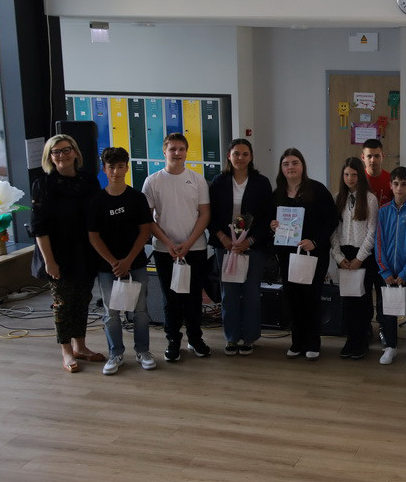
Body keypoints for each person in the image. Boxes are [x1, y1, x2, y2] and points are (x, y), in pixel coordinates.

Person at [31, 134, 103, 372]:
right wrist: (49, 261)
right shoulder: (43, 184)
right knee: (63, 303)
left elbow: (96, 216)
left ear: (75, 152)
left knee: (83, 299)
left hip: (85, 251)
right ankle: (66, 351)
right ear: (50, 157)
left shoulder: (88, 180)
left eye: (66, 149)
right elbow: (39, 228)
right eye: (56, 152)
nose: (62, 155)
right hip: (57, 253)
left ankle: (80, 346)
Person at [142, 132, 212, 363]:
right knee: (170, 299)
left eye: (181, 149)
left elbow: (205, 214)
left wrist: (188, 243)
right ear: (164, 152)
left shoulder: (197, 180)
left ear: (186, 152)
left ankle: (195, 339)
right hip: (165, 251)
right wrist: (169, 243)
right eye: (172, 149)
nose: (177, 153)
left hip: (195, 248)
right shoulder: (152, 181)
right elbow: (148, 219)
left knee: (193, 298)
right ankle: (173, 341)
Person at [88, 147, 155, 375]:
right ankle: (115, 353)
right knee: (112, 312)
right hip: (108, 268)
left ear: (127, 168)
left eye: (119, 167)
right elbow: (93, 236)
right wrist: (114, 262)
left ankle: (143, 351)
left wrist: (128, 260)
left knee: (141, 310)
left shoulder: (137, 198)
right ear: (104, 169)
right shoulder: (97, 200)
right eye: (111, 167)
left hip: (135, 264)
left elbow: (144, 231)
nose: (115, 172)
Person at [270, 148, 339, 360]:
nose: (290, 167)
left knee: (311, 298)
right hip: (287, 255)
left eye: (294, 163)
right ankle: (297, 342)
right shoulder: (277, 194)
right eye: (286, 164)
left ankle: (313, 342)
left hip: (312, 254)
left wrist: (315, 242)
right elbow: (270, 220)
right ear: (281, 169)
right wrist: (272, 226)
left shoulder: (317, 190)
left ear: (302, 166)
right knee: (293, 299)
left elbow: (331, 220)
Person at [209, 138, 274, 356]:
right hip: (225, 246)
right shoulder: (219, 182)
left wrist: (250, 241)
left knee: (251, 292)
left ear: (251, 157)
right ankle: (231, 337)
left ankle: (249, 338)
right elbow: (210, 215)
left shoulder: (261, 183)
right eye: (236, 153)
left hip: (254, 246)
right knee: (229, 293)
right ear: (229, 156)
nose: (240, 158)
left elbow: (267, 217)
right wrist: (222, 238)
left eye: (245, 154)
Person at [331, 157, 379, 360]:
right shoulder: (337, 198)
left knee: (363, 300)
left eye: (354, 174)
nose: (350, 178)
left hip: (363, 255)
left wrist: (360, 258)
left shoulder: (370, 199)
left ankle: (361, 340)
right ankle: (351, 339)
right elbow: (333, 231)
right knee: (348, 300)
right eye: (346, 174)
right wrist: (338, 256)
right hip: (344, 254)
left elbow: (372, 231)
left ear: (360, 176)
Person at [375, 166, 406, 366]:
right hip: (388, 272)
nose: (399, 188)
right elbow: (379, 242)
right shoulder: (383, 211)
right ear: (391, 185)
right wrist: (384, 270)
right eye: (396, 184)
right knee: (388, 310)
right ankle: (391, 347)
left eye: (403, 184)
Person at [362, 138, 392, 207]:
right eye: (369, 156)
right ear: (363, 157)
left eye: (377, 156)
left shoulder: (391, 179)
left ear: (383, 156)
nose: (373, 160)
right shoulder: (358, 179)